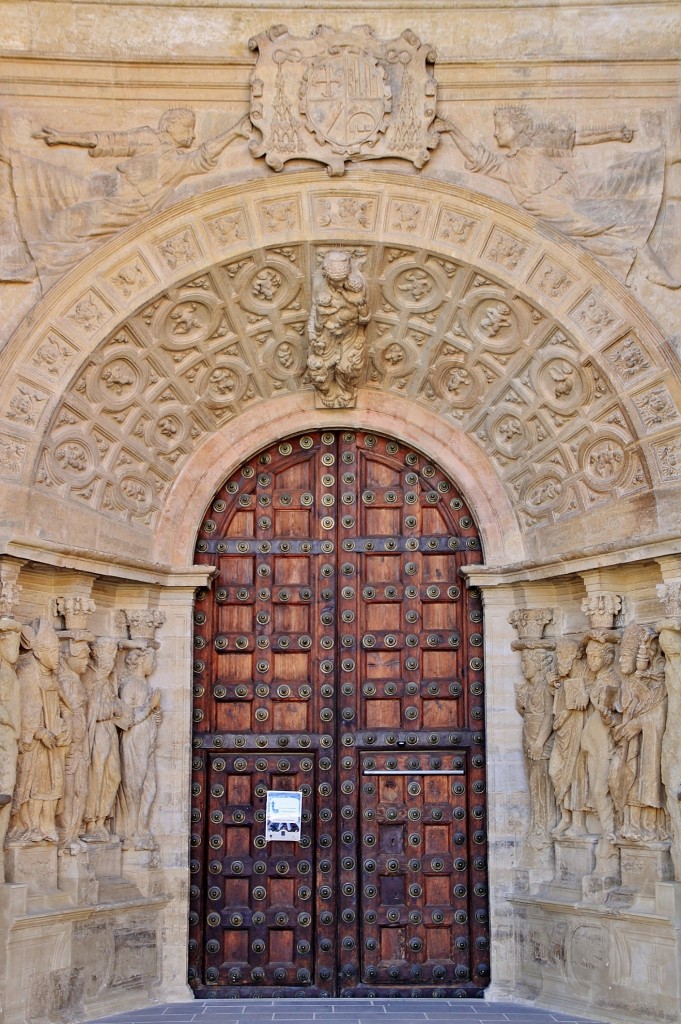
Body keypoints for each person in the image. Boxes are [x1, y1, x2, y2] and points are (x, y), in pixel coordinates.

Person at [436, 106, 676, 286]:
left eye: (500, 126)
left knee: (619, 210)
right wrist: (453, 130)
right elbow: (476, 156)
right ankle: (640, 263)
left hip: (565, 201)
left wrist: (614, 133)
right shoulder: (507, 165)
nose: (495, 133)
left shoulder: (538, 146)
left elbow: (576, 138)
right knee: (615, 223)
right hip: (550, 211)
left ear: (518, 127)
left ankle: (645, 264)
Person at [16, 109, 251, 286]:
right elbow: (107, 139)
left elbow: (205, 154)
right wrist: (63, 137)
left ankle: (38, 267)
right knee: (68, 220)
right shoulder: (148, 139)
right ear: (169, 125)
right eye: (187, 127)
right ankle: (39, 267)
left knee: (71, 221)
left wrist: (234, 132)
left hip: (138, 213)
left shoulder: (179, 161)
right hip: (120, 207)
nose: (192, 135)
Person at [305, 250, 370, 408]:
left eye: (341, 280)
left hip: (350, 334)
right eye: (333, 281)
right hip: (327, 333)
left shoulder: (357, 286)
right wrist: (313, 332)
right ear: (326, 275)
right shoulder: (319, 284)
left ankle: (345, 390)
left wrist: (363, 312)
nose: (337, 284)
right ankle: (328, 392)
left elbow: (364, 318)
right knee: (320, 368)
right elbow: (315, 309)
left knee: (348, 368)